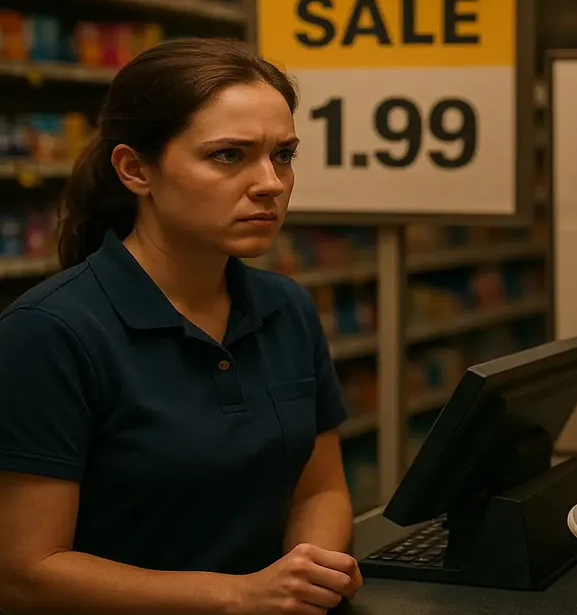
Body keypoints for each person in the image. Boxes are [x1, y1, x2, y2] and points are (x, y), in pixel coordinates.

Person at [0, 38, 363, 614]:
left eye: (283, 154)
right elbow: (23, 572)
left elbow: (320, 488)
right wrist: (239, 596)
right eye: (228, 155)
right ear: (135, 169)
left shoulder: (286, 307)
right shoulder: (49, 333)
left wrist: (304, 579)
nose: (270, 182)